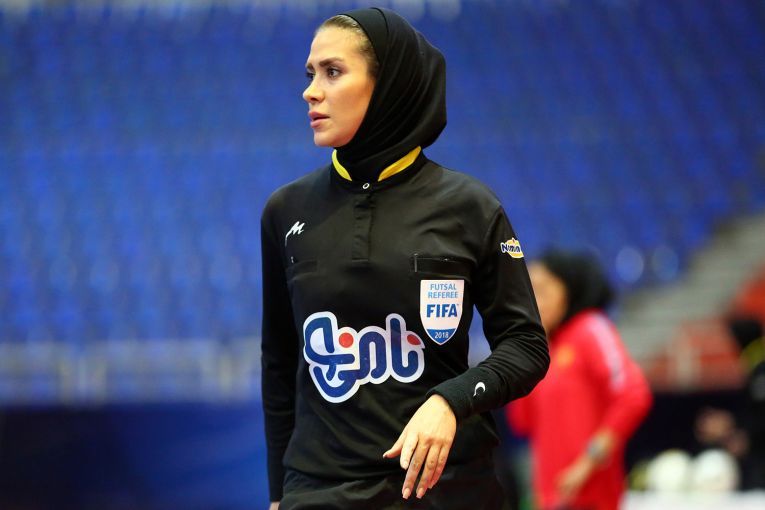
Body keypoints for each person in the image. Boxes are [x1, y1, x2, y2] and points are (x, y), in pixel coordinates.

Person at [260, 7, 549, 510]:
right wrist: (279, 495)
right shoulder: (286, 211)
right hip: (321, 491)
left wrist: (451, 400)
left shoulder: (470, 206)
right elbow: (280, 364)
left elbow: (526, 345)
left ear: (387, 84)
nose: (311, 91)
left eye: (333, 72)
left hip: (445, 492)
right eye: (310, 74)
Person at [507, 250, 652, 510]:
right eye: (529, 292)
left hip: (592, 499)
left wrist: (587, 463)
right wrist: (523, 355)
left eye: (542, 290)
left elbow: (633, 396)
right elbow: (522, 422)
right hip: (550, 499)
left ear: (568, 289)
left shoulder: (591, 328)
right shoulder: (544, 348)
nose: (533, 302)